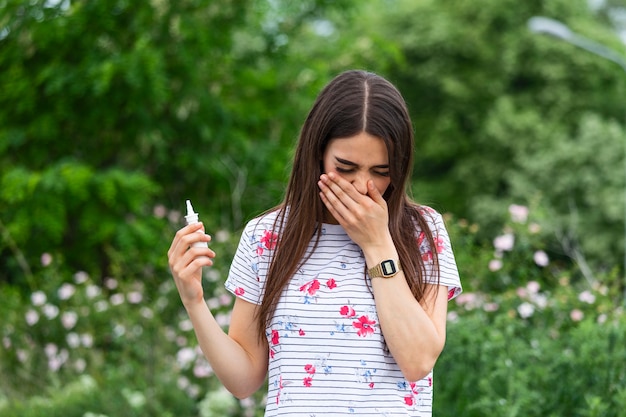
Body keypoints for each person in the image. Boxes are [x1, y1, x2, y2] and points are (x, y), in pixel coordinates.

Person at [167, 69, 462, 416]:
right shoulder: (268, 236)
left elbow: (418, 361)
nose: (362, 186)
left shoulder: (422, 232)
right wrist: (194, 300)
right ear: (318, 153)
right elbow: (244, 380)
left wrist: (378, 243)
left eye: (381, 171)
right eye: (346, 167)